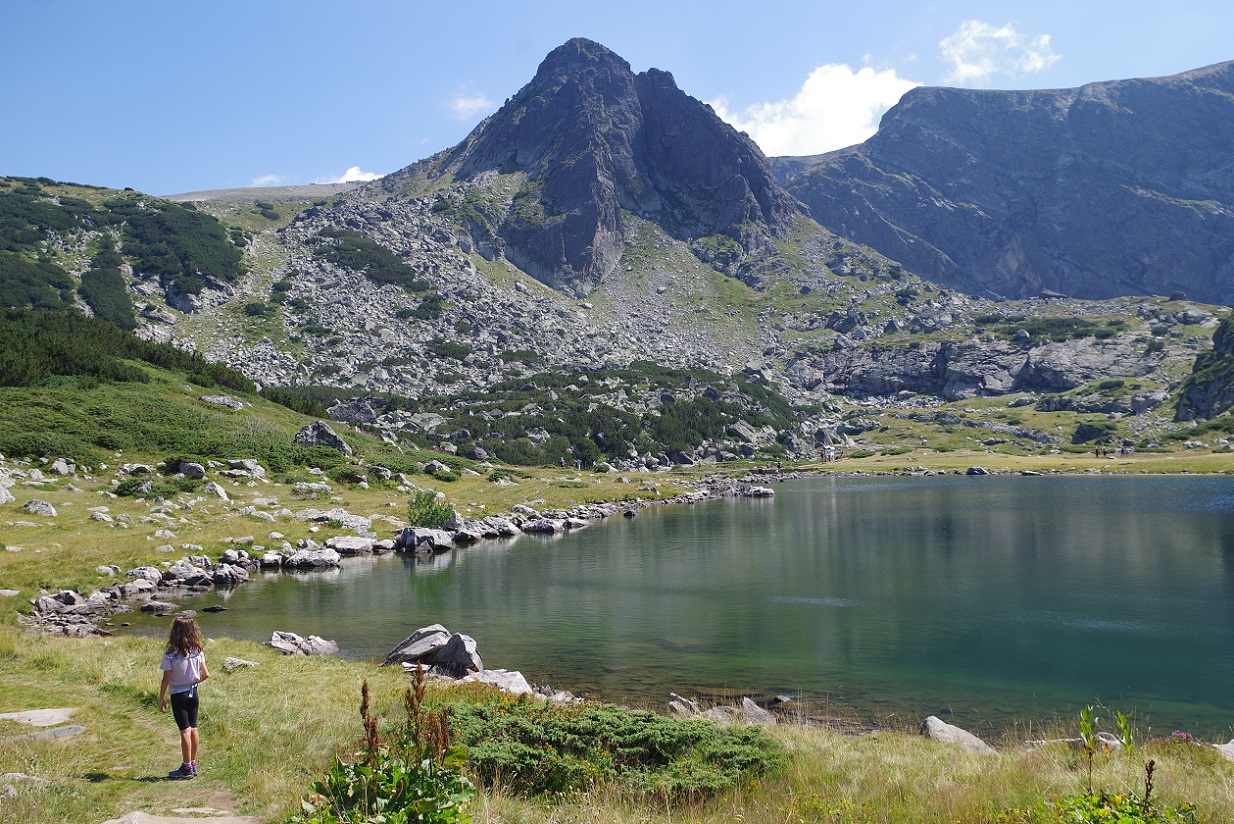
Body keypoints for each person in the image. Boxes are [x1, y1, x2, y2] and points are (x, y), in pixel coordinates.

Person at [158, 615, 209, 780]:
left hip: (178, 694)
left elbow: (166, 678)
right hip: (193, 692)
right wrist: (194, 682)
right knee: (194, 728)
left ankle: (186, 767)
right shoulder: (197, 650)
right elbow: (206, 674)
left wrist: (161, 698)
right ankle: (192, 763)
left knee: (184, 731)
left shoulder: (171, 654)